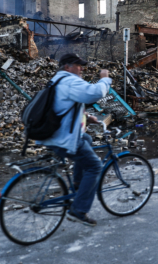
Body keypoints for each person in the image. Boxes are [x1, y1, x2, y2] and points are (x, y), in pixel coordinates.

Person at [38, 53, 112, 226]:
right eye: (77, 65)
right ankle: (78, 210)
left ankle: (78, 183)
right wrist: (105, 79)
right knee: (95, 166)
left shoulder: (57, 80)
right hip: (63, 138)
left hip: (54, 134)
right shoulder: (70, 80)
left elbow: (63, 104)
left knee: (85, 138)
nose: (81, 68)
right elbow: (94, 93)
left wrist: (87, 116)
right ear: (67, 67)